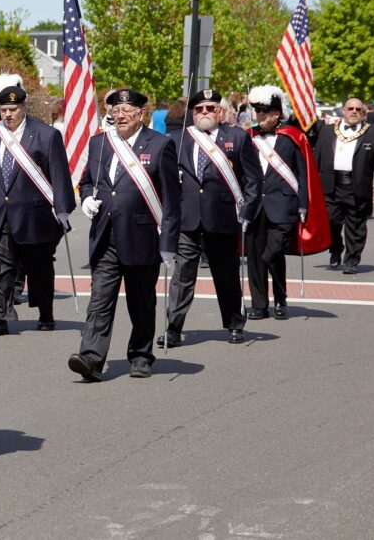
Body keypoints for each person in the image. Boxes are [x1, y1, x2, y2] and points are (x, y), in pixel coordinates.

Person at [68, 88, 180, 382]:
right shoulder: (100, 143)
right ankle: (91, 357)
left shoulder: (159, 145)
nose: (119, 116)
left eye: (126, 111)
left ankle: (141, 355)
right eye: (115, 111)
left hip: (143, 237)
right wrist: (88, 197)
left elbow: (171, 198)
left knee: (141, 301)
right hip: (105, 236)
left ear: (141, 114)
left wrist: (168, 244)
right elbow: (88, 180)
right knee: (100, 299)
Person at [158, 89, 261, 347]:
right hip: (187, 219)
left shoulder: (237, 137)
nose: (205, 113)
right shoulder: (177, 139)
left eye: (210, 108)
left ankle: (235, 323)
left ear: (220, 111)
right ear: (192, 113)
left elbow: (253, 179)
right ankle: (173, 328)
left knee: (226, 275)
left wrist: (247, 212)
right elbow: (165, 181)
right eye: (199, 109)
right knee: (182, 277)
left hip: (224, 218)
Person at [0, 74, 75, 336]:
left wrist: (64, 209)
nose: (8, 115)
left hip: (35, 217)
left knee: (39, 267)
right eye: (4, 110)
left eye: (13, 109)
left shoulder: (46, 135)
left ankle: (45, 312)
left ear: (24, 106)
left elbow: (59, 174)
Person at [244, 86, 309, 320]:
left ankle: (280, 299)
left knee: (273, 253)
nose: (259, 115)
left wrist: (303, 204)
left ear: (277, 114)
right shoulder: (248, 137)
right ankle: (259, 305)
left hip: (283, 205)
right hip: (255, 206)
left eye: (264, 111)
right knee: (254, 257)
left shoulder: (293, 137)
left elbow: (303, 174)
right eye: (257, 110)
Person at [313, 97, 374, 274]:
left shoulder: (373, 133)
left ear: (363, 113)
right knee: (331, 221)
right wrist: (312, 182)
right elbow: (317, 157)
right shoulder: (328, 131)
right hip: (331, 185)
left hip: (357, 186)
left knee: (356, 226)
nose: (354, 112)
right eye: (350, 109)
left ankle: (352, 260)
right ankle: (335, 248)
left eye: (358, 109)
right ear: (343, 110)